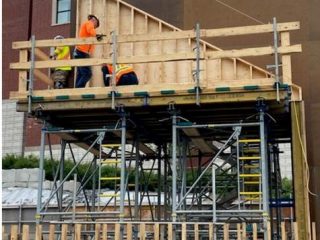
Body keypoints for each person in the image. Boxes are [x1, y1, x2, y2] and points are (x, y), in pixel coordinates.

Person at [74, 14, 103, 88]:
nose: (94, 28)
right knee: (87, 74)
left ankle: (77, 90)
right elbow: (90, 29)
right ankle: (79, 89)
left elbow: (90, 32)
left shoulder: (89, 28)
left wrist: (97, 35)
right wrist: (96, 35)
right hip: (81, 52)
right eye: (95, 25)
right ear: (94, 20)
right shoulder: (89, 23)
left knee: (81, 74)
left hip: (80, 52)